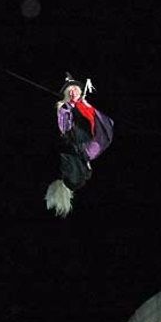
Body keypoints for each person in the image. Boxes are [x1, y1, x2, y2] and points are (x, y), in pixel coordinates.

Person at [45, 73, 114, 217]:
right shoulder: (65, 108)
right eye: (69, 91)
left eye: (75, 89)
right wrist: (66, 109)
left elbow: (103, 122)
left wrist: (86, 106)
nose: (72, 92)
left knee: (79, 156)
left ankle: (78, 163)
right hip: (78, 142)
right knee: (75, 146)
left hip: (88, 143)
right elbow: (65, 127)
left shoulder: (86, 105)